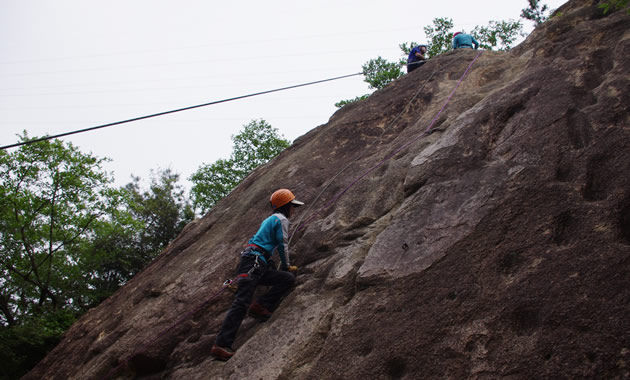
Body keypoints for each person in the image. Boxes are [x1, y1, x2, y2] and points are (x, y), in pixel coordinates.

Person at [210, 189, 304, 361]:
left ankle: (260, 306)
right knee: (242, 301)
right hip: (254, 260)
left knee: (286, 279)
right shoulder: (281, 219)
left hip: (258, 261)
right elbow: (282, 244)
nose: (293, 210)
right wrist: (286, 265)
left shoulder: (270, 219)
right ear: (286, 207)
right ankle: (221, 344)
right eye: (292, 207)